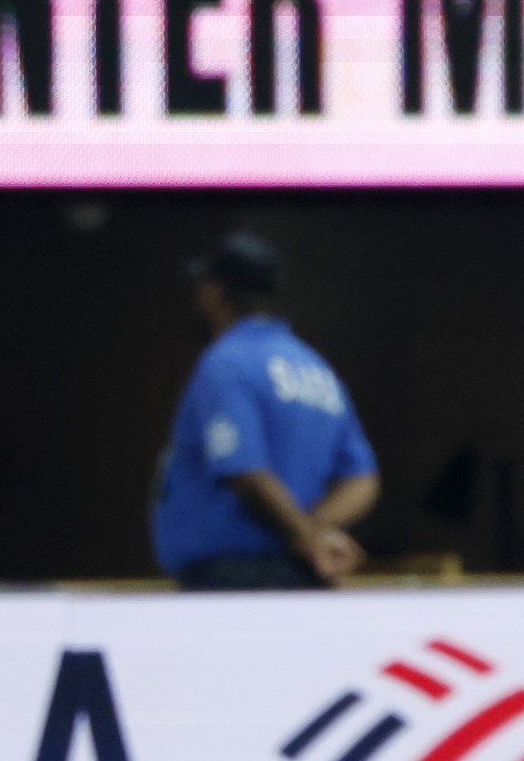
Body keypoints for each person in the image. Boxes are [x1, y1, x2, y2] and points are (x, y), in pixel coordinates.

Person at [152, 232, 380, 590]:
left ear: (215, 293)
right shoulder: (314, 367)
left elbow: (245, 471)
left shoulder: (226, 363)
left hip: (232, 578)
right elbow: (362, 479)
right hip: (302, 572)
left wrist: (307, 535)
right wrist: (314, 531)